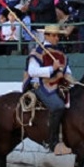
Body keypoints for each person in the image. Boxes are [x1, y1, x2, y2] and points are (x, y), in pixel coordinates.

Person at [23, 25, 73, 153]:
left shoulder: (60, 53)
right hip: (41, 85)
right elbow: (32, 71)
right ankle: (53, 142)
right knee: (58, 106)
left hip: (59, 84)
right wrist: (53, 69)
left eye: (58, 36)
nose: (57, 38)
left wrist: (70, 78)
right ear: (47, 36)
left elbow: (67, 69)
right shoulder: (37, 52)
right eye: (55, 35)